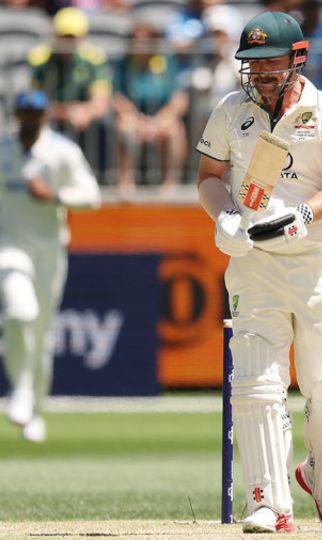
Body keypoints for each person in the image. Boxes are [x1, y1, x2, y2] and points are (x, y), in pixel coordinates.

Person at [195, 11, 322, 534]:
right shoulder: (230, 110)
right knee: (256, 383)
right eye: (252, 63)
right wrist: (223, 213)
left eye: (271, 62)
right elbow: (208, 177)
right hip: (254, 266)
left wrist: (305, 214)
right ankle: (269, 502)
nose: (261, 73)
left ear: (298, 58)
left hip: (316, 264)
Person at [0, 90, 101, 443]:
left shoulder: (62, 152)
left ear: (44, 116)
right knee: (18, 313)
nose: (30, 118)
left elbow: (92, 196)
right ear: (17, 114)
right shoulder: (2, 151)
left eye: (36, 113)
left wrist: (56, 196)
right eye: (24, 112)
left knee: (41, 334)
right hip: (8, 249)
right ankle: (22, 391)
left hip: (49, 251)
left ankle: (34, 410)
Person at [113, 21, 190, 195]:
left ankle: (170, 182)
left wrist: (159, 121)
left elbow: (179, 98)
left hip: (161, 118)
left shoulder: (166, 62)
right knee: (123, 126)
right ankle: (125, 182)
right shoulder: (122, 64)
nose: (140, 43)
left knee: (175, 129)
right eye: (135, 39)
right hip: (133, 117)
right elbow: (117, 97)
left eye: (145, 39)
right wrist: (138, 120)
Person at [28, 7, 112, 140]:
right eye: (63, 36)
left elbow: (101, 102)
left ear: (82, 37)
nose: (67, 43)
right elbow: (35, 101)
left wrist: (86, 112)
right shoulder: (41, 60)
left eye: (71, 37)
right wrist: (66, 113)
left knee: (104, 125)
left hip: (86, 127)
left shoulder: (94, 59)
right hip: (53, 123)